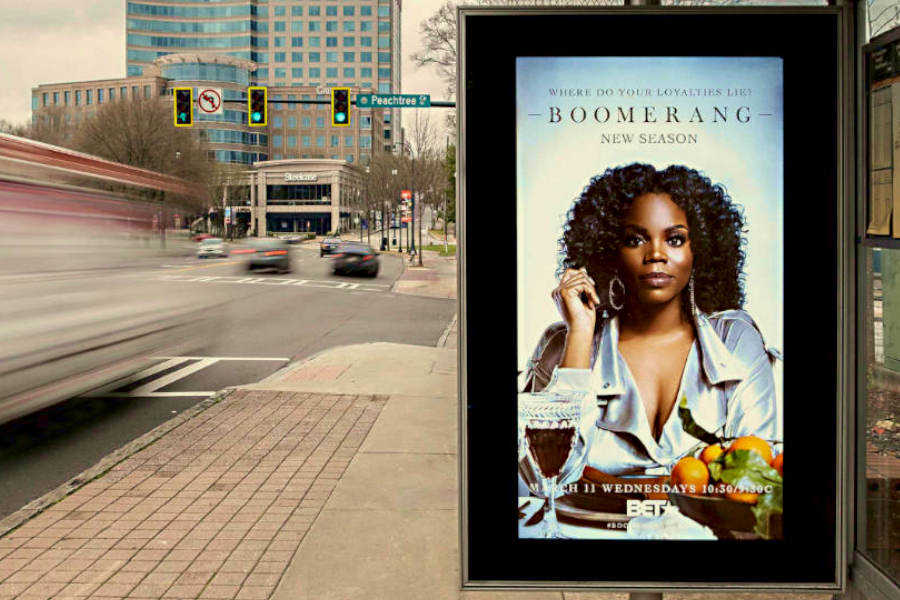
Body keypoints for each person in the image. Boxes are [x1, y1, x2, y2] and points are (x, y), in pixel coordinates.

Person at [521, 163, 781, 479]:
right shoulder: (564, 343)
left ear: (699, 250)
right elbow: (542, 478)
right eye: (635, 240)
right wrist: (580, 334)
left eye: (675, 239)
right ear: (610, 251)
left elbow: (755, 474)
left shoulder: (735, 341)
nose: (656, 254)